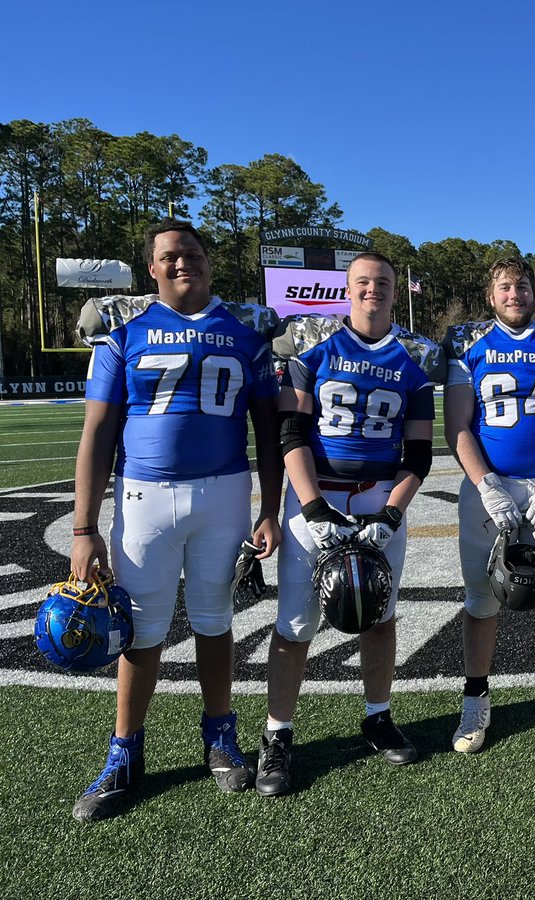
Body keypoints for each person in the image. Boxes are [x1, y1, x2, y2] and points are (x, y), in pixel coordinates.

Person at [69, 219, 283, 822]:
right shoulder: (125, 334)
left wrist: (270, 508)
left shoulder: (246, 334)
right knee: (141, 630)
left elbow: (269, 431)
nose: (181, 262)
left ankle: (219, 733)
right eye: (169, 257)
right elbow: (97, 433)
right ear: (152, 269)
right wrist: (83, 529)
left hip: (223, 494)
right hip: (144, 497)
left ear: (209, 261)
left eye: (191, 253)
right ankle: (125, 752)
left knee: (215, 620)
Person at [258, 252, 442, 796]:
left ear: (393, 290)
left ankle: (377, 716)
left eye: (382, 283)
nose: (373, 291)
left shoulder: (416, 356)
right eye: (363, 282)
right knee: (295, 624)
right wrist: (312, 507)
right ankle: (278, 735)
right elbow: (291, 433)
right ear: (347, 288)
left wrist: (391, 514)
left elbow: (419, 454)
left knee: (379, 614)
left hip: (380, 497)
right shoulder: (313, 341)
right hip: (315, 498)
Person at [443, 256, 535, 753]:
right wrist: (486, 483)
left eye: (523, 286)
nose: (515, 294)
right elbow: (458, 425)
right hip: (492, 487)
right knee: (481, 598)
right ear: (491, 296)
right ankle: (475, 700)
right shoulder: (470, 344)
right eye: (505, 287)